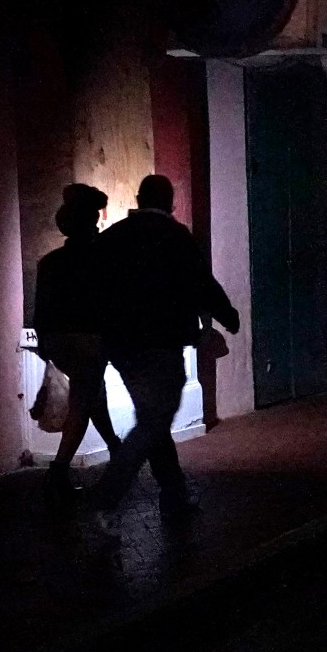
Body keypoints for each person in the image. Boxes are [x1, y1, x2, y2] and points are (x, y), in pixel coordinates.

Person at [86, 173, 239, 529]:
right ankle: (107, 497)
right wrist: (227, 316)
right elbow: (202, 283)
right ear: (171, 203)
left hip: (121, 347)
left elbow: (93, 289)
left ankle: (174, 497)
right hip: (163, 343)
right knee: (155, 421)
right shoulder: (177, 237)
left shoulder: (111, 239)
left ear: (139, 199)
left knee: (153, 419)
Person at [33, 184, 122, 494]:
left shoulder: (50, 263)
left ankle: (116, 449)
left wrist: (45, 343)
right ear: (89, 220)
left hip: (59, 341)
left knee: (94, 394)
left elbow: (42, 309)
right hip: (90, 339)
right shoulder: (101, 258)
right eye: (95, 217)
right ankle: (58, 471)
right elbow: (110, 303)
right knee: (85, 400)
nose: (99, 222)